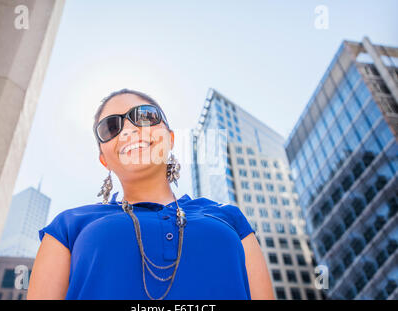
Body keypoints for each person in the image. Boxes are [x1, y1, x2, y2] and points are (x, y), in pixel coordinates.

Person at [27, 88, 274, 300]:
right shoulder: (68, 226)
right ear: (104, 159)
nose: (129, 130)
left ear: (170, 138)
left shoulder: (230, 217)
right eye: (111, 127)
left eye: (144, 117)